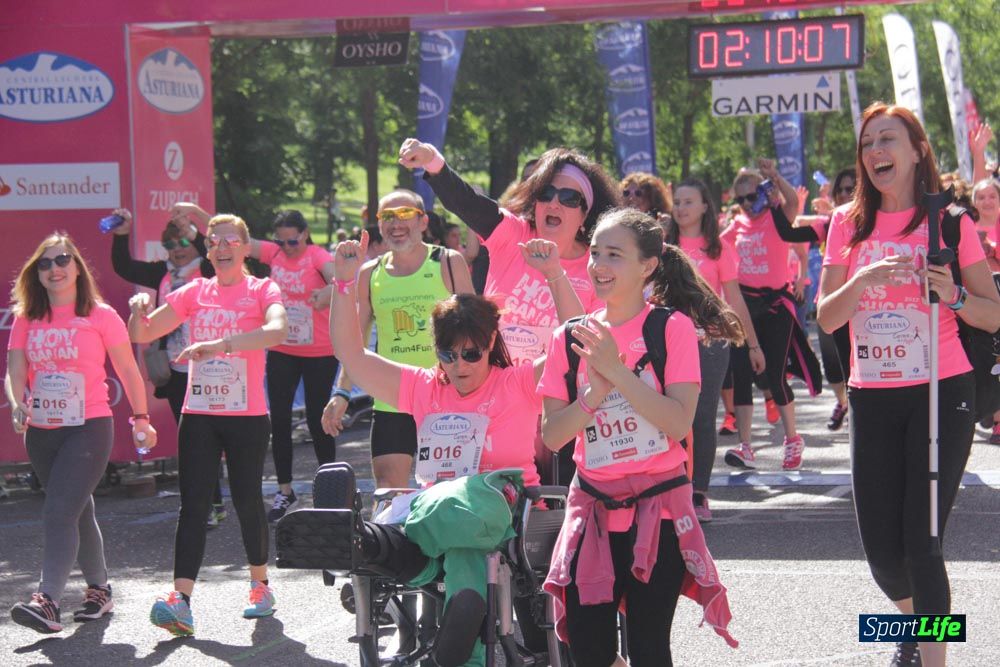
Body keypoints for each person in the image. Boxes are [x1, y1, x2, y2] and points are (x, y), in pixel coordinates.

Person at [323, 232, 576, 664]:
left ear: (490, 345)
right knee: (458, 538)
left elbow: (576, 343)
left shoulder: (516, 383)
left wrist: (554, 274)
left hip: (507, 507)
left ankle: (371, 544)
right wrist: (344, 285)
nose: (458, 365)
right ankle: (460, 640)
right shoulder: (424, 386)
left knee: (469, 500)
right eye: (447, 354)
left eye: (471, 354)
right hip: (442, 513)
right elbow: (351, 352)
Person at [817, 102, 1000, 667]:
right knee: (881, 555)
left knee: (921, 543)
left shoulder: (951, 222)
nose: (875, 152)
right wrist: (864, 278)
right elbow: (826, 317)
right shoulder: (847, 223)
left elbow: (992, 315)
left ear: (917, 149)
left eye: (888, 139)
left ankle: (932, 653)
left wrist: (955, 296)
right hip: (873, 394)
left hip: (941, 392)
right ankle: (922, 624)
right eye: (868, 143)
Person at [538, 208, 737, 666]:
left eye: (614, 255)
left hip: (659, 510)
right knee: (589, 652)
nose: (599, 265)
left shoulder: (672, 328)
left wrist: (616, 371)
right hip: (591, 510)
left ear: (648, 265)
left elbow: (678, 423)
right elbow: (553, 436)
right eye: (594, 254)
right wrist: (593, 394)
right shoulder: (567, 337)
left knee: (649, 649)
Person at [400, 139, 616, 484]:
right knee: (487, 496)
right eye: (546, 193)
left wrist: (555, 274)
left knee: (553, 506)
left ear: (585, 212)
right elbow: (469, 205)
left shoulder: (598, 264)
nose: (554, 203)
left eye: (569, 198)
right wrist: (435, 165)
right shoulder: (513, 234)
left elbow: (584, 335)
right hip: (496, 399)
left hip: (558, 403)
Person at [127, 214, 288, 636]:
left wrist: (223, 345)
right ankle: (180, 600)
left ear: (245, 248)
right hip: (199, 413)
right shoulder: (195, 291)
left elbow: (277, 330)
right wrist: (137, 309)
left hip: (247, 415)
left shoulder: (261, 289)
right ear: (208, 250)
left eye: (230, 240)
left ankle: (260, 585)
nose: (221, 247)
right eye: (214, 241)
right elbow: (145, 332)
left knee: (246, 499)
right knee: (193, 504)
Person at [6, 233, 157, 633]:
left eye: (62, 260)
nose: (54, 269)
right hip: (41, 431)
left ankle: (49, 600)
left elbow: (128, 369)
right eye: (45, 263)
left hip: (89, 427)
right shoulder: (26, 316)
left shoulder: (100, 315)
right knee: (77, 509)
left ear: (76, 267)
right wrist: (18, 402)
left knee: (59, 510)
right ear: (35, 273)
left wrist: (141, 417)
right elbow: (15, 370)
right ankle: (99, 590)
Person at [323, 190, 473, 490]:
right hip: (393, 396)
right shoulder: (369, 273)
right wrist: (342, 392)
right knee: (390, 489)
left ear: (422, 221)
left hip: (446, 394)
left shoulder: (447, 262)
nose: (395, 223)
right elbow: (356, 341)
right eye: (387, 216)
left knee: (448, 490)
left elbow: (476, 331)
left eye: (404, 214)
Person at [107, 206, 229, 527]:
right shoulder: (161, 274)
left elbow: (212, 249)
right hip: (177, 373)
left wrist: (192, 232)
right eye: (170, 246)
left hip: (213, 368)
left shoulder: (207, 268)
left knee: (211, 440)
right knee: (191, 441)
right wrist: (122, 234)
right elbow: (123, 267)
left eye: (181, 245)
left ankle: (216, 501)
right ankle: (205, 504)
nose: (176, 252)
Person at [665, 178, 765, 521]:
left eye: (688, 201)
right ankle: (669, 489)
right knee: (666, 415)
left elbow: (734, 298)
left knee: (702, 417)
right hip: (665, 341)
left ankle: (698, 493)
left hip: (710, 342)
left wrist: (751, 343)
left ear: (706, 206)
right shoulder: (661, 245)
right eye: (677, 201)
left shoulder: (719, 247)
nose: (681, 208)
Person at [721, 159, 822, 471]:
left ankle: (792, 438)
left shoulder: (777, 217)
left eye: (752, 196)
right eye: (740, 200)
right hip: (743, 308)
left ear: (763, 194)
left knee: (775, 374)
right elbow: (711, 252)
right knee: (741, 375)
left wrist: (775, 177)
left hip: (776, 306)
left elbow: (793, 201)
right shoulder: (735, 226)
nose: (747, 204)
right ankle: (746, 446)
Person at [242, 209, 339, 522]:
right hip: (283, 348)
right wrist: (194, 214)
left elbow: (344, 280)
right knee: (279, 420)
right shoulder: (274, 254)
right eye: (281, 241)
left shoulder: (316, 256)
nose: (287, 247)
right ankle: (285, 491)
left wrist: (328, 290)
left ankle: (331, 489)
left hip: (320, 351)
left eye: (293, 240)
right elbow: (234, 237)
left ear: (306, 233)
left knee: (318, 420)